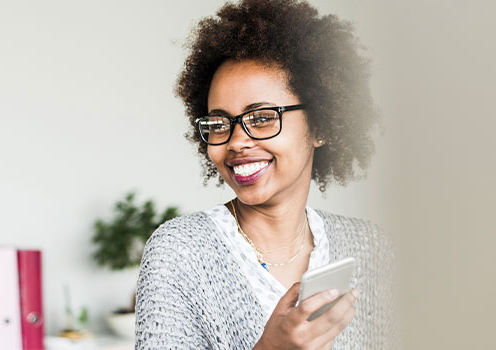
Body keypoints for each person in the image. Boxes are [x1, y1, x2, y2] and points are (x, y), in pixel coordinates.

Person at [134, 0, 398, 349]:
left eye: (262, 118)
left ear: (320, 125)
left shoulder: (370, 247)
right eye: (219, 123)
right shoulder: (179, 253)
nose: (238, 142)